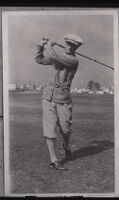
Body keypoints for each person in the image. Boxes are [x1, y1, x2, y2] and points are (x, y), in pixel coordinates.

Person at [35, 34, 83, 170]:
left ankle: (66, 147)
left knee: (66, 129)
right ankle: (53, 160)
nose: (69, 47)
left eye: (73, 45)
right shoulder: (56, 59)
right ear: (65, 44)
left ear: (76, 48)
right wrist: (40, 46)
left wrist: (49, 45)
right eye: (67, 43)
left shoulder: (74, 60)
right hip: (48, 96)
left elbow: (54, 57)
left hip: (63, 99)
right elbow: (39, 59)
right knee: (50, 128)